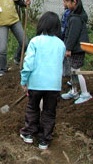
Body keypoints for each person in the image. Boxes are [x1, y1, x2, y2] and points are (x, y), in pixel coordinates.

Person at [19, 11, 66, 150]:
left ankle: (28, 134)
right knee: (49, 112)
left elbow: (28, 64)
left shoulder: (35, 41)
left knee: (33, 108)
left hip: (36, 84)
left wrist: (24, 80)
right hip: (54, 85)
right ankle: (44, 140)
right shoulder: (61, 44)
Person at [60, 0, 92, 104]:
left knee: (77, 72)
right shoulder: (74, 15)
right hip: (74, 49)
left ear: (74, 2)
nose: (65, 4)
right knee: (73, 72)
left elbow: (73, 36)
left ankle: (85, 93)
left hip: (77, 50)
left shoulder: (76, 19)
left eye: (66, 2)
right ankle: (74, 91)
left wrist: (68, 49)